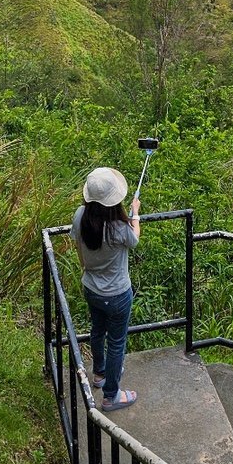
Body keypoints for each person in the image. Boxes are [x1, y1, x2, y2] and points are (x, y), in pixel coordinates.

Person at [71, 167, 140, 411]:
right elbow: (135, 239)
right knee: (117, 343)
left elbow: (79, 250)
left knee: (97, 331)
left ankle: (99, 374)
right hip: (118, 293)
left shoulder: (80, 215)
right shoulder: (119, 228)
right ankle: (111, 395)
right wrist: (135, 214)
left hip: (91, 288)